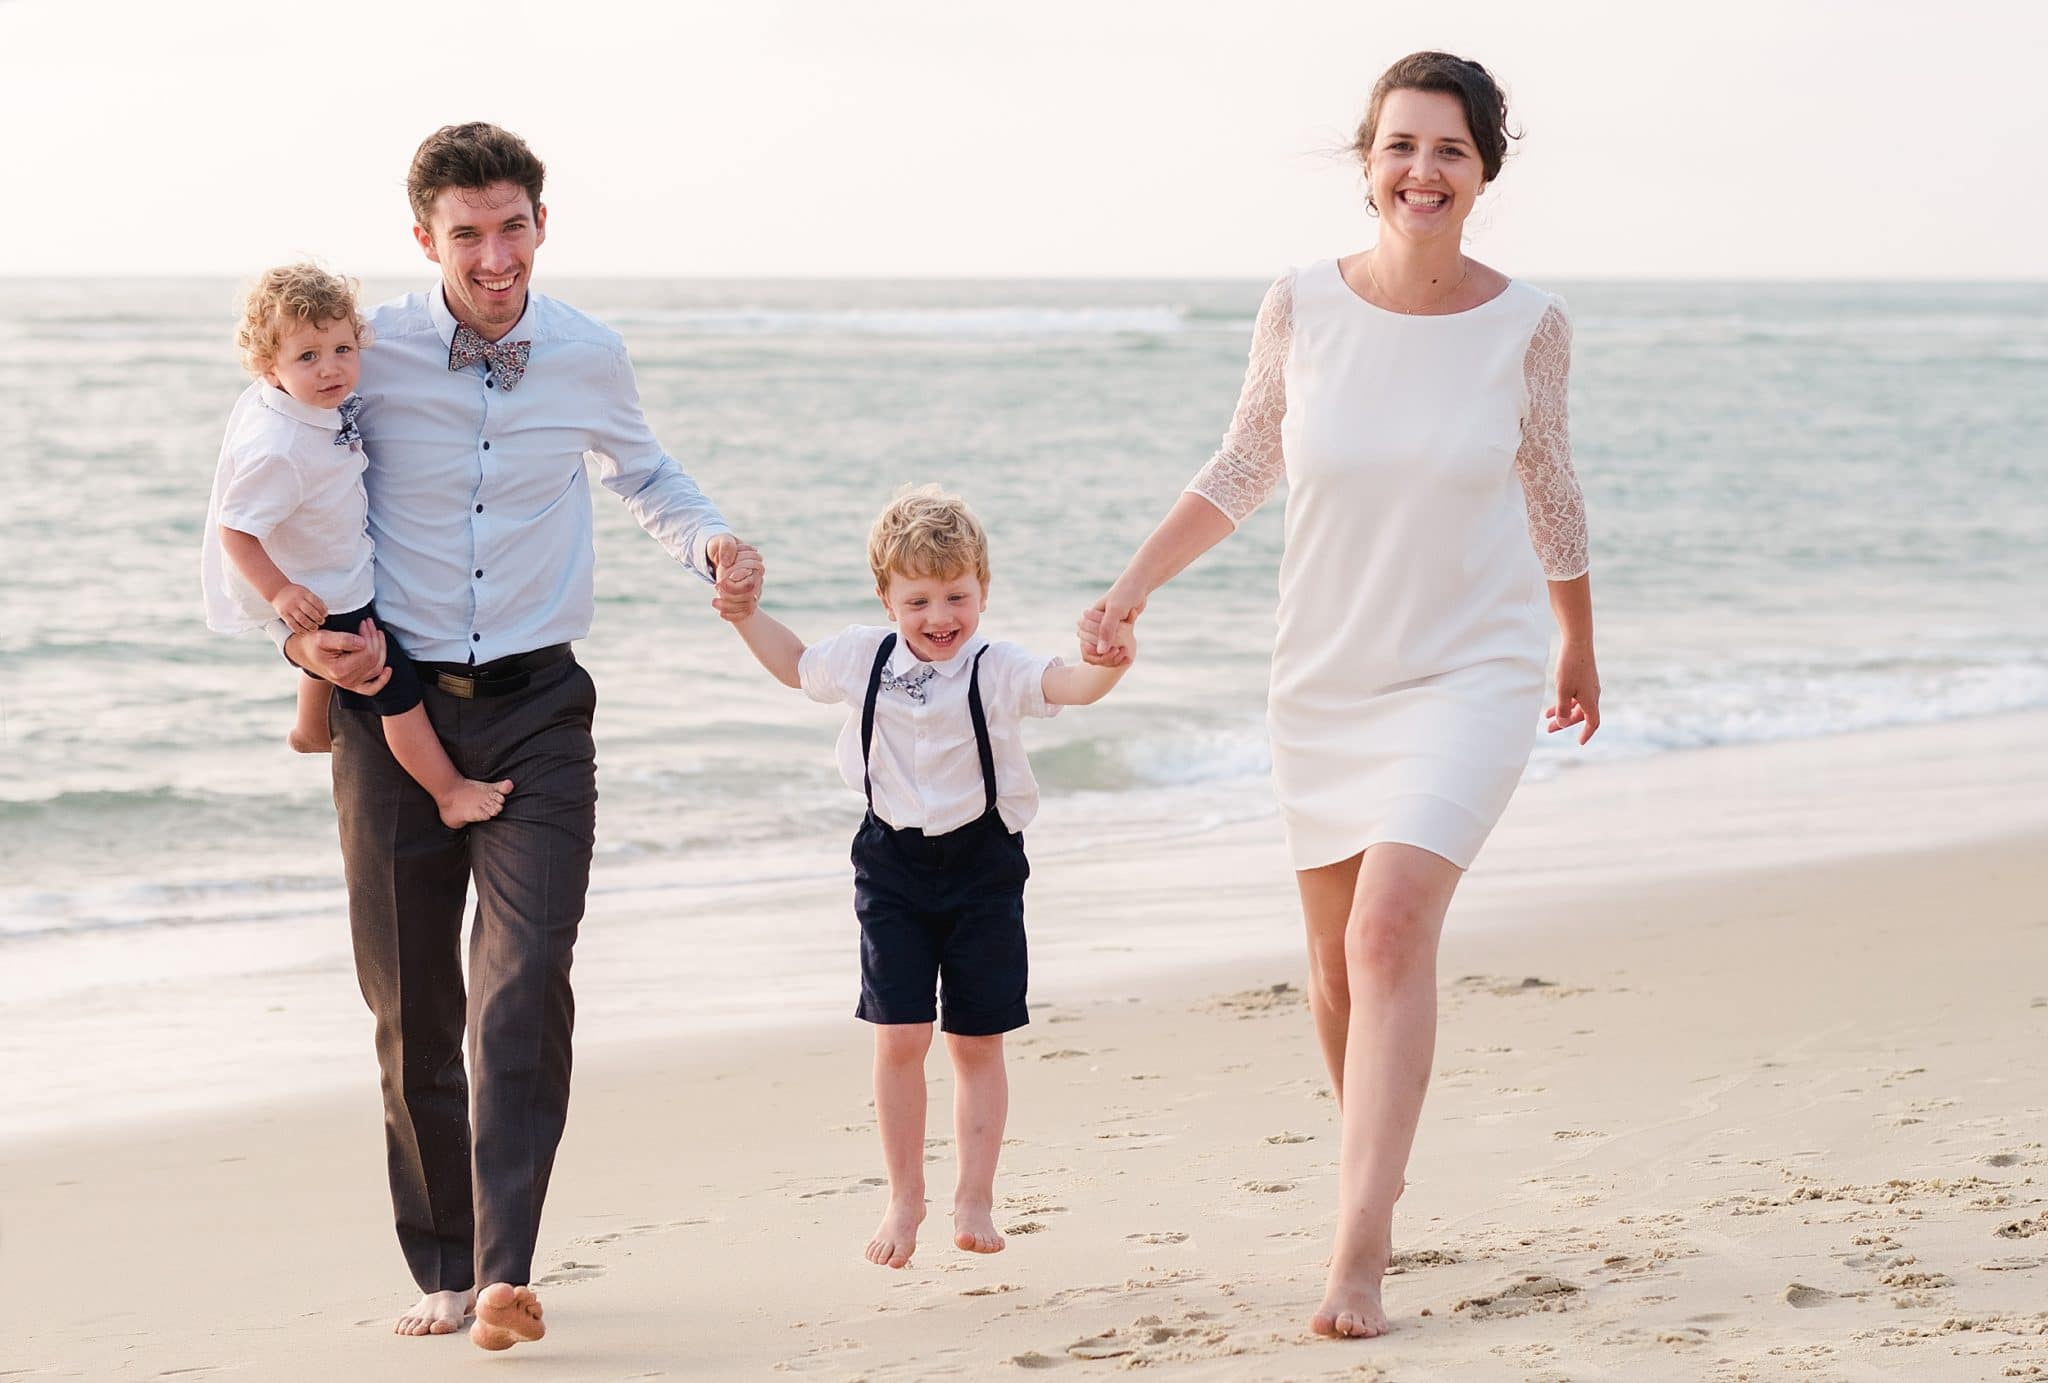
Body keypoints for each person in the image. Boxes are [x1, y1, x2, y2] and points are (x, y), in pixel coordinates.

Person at [1078, 52, 1601, 1340]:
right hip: (1323, 671)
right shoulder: (1300, 303)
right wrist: (1131, 585)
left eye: (1449, 152)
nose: (1422, 171)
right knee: (1329, 972)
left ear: (1484, 173)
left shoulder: (1526, 324)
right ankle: (1381, 1168)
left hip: (1468, 670)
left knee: (1384, 936)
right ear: (1366, 161)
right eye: (1400, 147)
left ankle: (1355, 1252)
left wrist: (1572, 641)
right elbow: (1244, 458)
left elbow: (1549, 486)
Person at [275, 123, 763, 1351]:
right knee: (410, 1003)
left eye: (512, 227)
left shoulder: (589, 353)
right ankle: (443, 1269)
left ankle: (504, 1273)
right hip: (392, 714)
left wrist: (710, 543)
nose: (493, 257)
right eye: (466, 234)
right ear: (424, 239)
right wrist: (296, 647)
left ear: (541, 223)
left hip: (542, 706)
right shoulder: (361, 352)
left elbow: (647, 476)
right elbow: (266, 491)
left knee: (525, 975)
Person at [726, 487, 1132, 1269]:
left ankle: (974, 1193)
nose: (939, 615)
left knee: (977, 1039)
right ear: (887, 598)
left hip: (983, 866)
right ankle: (904, 1194)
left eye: (957, 596)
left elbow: (1071, 687)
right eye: (918, 599)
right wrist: (745, 614)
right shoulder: (861, 656)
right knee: (900, 1033)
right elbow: (793, 666)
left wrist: (1108, 663)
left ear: (983, 590)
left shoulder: (999, 667)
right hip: (891, 864)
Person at [202, 263, 512, 828]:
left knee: (335, 657)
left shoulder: (312, 407)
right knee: (390, 680)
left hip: (332, 566)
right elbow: (235, 529)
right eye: (307, 358)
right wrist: (281, 592)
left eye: (343, 348)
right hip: (319, 585)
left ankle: (309, 730)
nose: (331, 369)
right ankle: (447, 792)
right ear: (269, 370)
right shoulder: (278, 446)